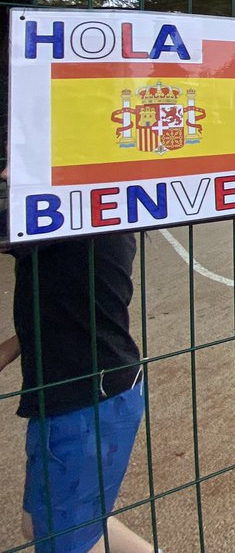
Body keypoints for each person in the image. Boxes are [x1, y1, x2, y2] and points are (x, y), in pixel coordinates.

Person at [1, 222, 154, 553]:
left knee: (66, 540)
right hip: (87, 395)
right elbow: (65, 305)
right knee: (40, 524)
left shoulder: (67, 217)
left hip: (85, 404)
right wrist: (12, 347)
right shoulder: (74, 217)